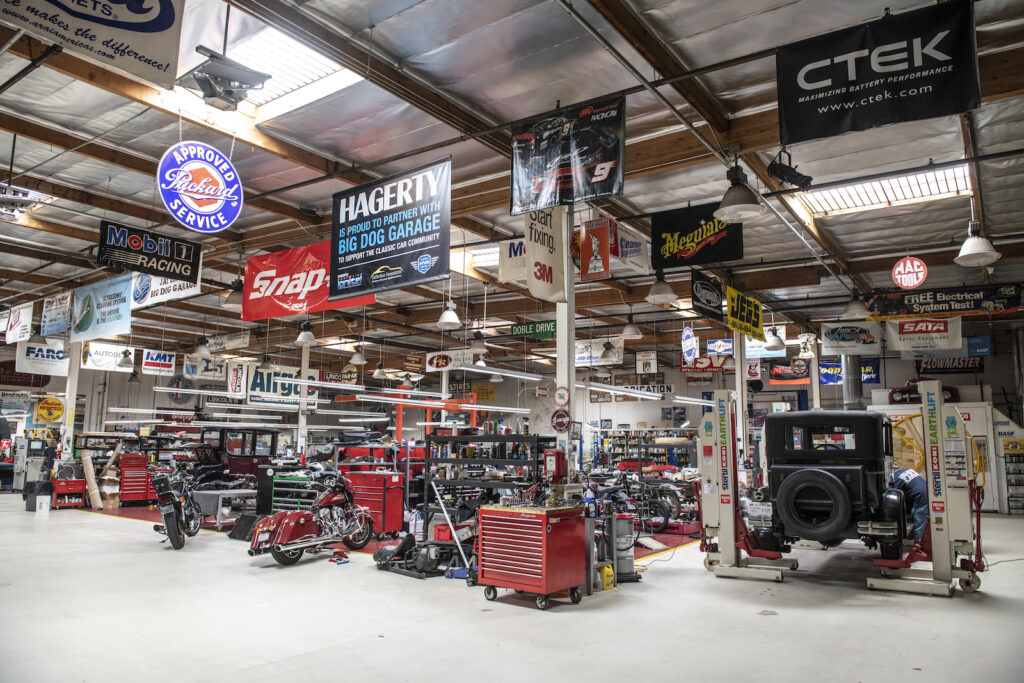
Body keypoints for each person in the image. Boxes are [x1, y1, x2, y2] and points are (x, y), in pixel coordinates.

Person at [890, 467, 929, 544]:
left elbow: (893, 498)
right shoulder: (906, 470)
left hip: (920, 498)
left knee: (920, 523)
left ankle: (919, 546)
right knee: (920, 520)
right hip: (927, 493)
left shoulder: (894, 481)